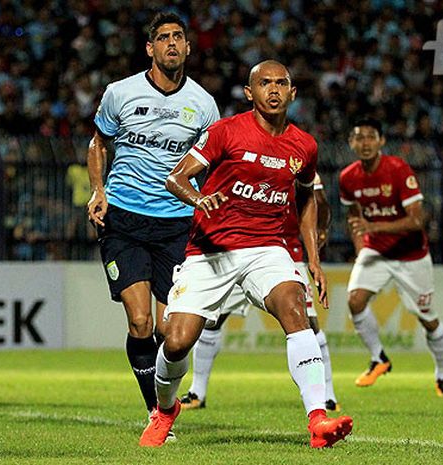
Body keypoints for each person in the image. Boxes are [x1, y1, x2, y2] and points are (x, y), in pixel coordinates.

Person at [139, 60, 353, 448]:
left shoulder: (304, 145)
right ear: (249, 93)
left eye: (281, 83)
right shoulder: (226, 131)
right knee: (176, 342)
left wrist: (314, 261)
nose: (273, 89)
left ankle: (318, 419)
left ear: (293, 93)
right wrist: (200, 198)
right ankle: (165, 410)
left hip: (266, 249)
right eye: (264, 83)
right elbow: (176, 176)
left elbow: (305, 197)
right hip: (210, 252)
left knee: (295, 310)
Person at [87, 12, 219, 427]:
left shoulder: (202, 104)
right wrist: (98, 189)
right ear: (151, 48)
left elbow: (213, 161)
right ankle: (157, 412)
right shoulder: (120, 93)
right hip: (124, 219)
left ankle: (167, 397)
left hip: (178, 223)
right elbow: (98, 142)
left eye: (179, 37)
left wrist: (209, 203)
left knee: (171, 331)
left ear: (188, 47)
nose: (172, 44)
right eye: (163, 38)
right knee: (140, 320)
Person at [179, 174, 340, 412]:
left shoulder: (294, 157)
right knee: (212, 321)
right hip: (236, 248)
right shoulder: (242, 155)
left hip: (282, 254)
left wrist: (320, 233)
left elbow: (318, 201)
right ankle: (197, 392)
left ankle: (327, 396)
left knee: (306, 323)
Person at [339, 118, 443, 396]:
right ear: (351, 143)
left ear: (381, 141)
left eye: (370, 137)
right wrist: (360, 248)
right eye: (359, 137)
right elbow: (354, 216)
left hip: (410, 255)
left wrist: (373, 227)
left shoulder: (398, 170)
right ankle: (379, 357)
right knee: (355, 300)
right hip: (375, 250)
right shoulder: (348, 177)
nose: (364, 143)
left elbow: (417, 221)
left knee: (426, 317)